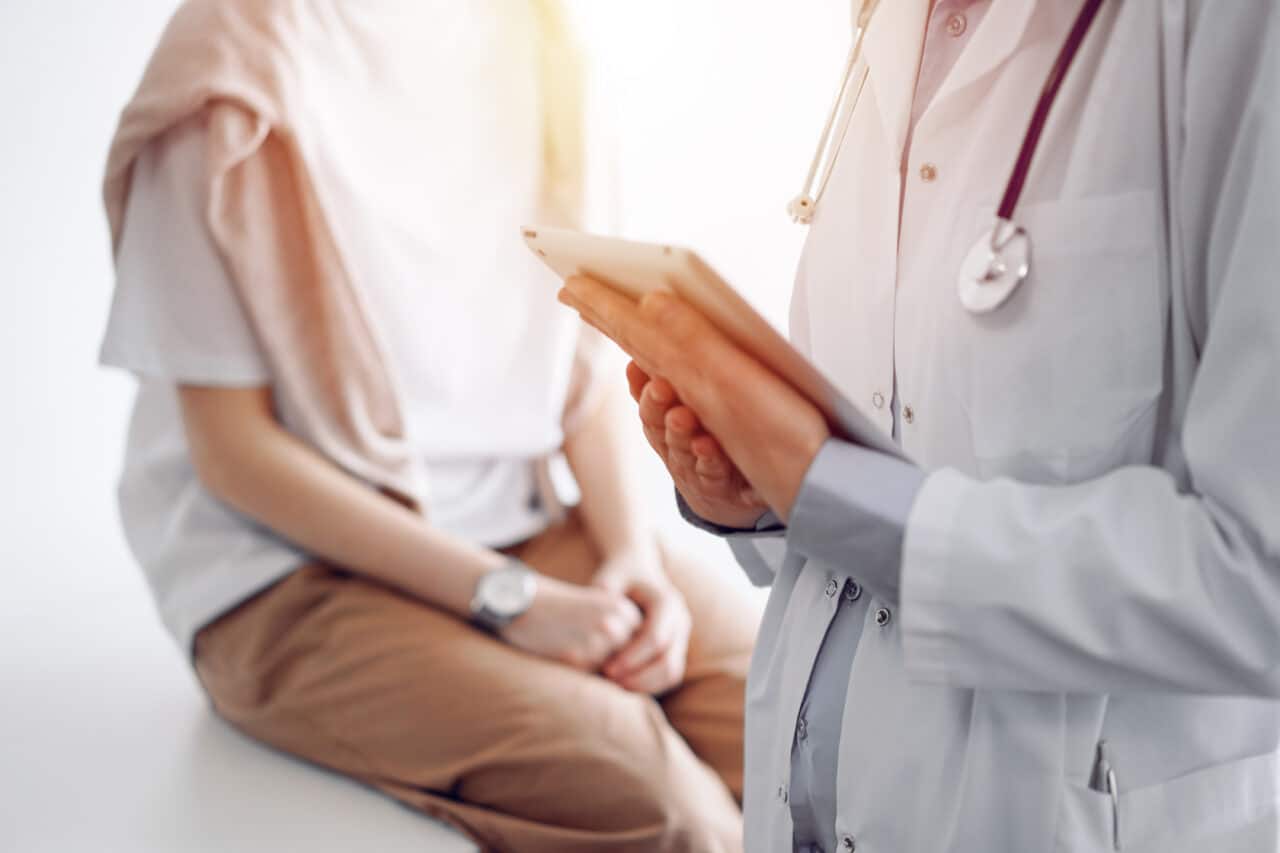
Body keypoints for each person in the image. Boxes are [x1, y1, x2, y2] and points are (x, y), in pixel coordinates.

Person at [559, 2, 1280, 851]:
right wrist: (758, 493)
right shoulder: (890, 20)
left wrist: (826, 484)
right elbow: (905, 420)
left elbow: (1258, 581)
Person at [98, 2, 756, 850]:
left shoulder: (548, 41)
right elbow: (236, 455)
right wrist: (506, 599)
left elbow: (574, 365)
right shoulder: (228, 71)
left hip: (533, 528)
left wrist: (631, 550)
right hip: (290, 577)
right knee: (674, 815)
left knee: (811, 735)